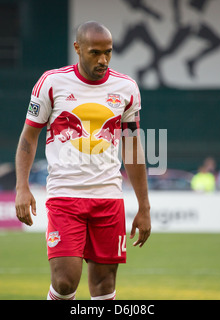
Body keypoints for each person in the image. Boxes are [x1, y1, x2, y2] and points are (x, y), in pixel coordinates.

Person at [14, 21, 151, 300]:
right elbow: (28, 137)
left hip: (109, 198)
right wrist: (22, 186)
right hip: (65, 197)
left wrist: (144, 206)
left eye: (108, 52)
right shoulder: (51, 83)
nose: (103, 60)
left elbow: (132, 148)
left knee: (104, 285)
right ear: (77, 48)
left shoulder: (126, 88)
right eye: (95, 52)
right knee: (65, 281)